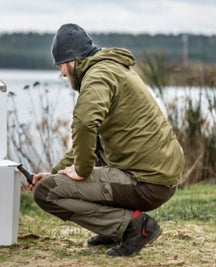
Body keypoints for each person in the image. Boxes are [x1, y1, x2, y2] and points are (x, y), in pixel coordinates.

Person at [29, 23, 185, 257]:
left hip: (146, 182)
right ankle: (117, 228)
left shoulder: (98, 75)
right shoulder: (113, 69)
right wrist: (55, 172)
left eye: (61, 65)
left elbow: (84, 123)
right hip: (159, 177)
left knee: (45, 192)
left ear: (73, 60)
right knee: (87, 160)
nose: (62, 73)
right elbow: (94, 144)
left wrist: (81, 171)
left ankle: (134, 227)